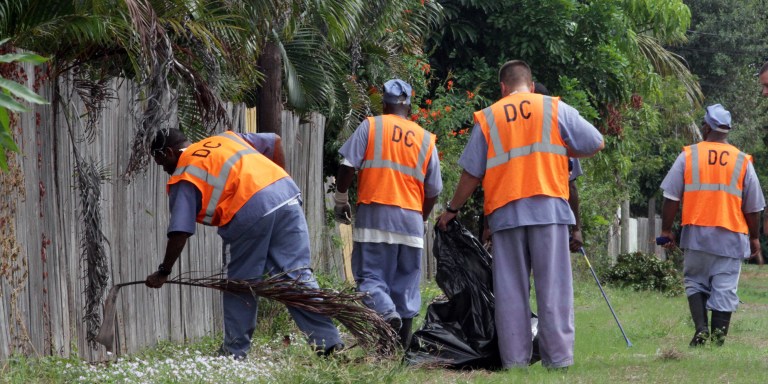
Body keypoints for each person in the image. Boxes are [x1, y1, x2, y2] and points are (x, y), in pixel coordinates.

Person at [438, 60, 604, 370]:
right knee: (553, 288)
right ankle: (559, 361)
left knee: (510, 291)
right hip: (549, 211)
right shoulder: (554, 108)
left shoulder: (490, 116)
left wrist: (452, 210)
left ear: (503, 87)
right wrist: (564, 150)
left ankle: (515, 363)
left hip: (506, 215)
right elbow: (595, 141)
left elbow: (471, 174)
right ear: (530, 83)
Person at [145, 128, 343, 359]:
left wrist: (164, 271)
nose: (164, 169)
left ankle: (234, 353)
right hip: (285, 194)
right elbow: (274, 140)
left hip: (249, 210)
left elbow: (180, 231)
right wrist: (277, 179)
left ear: (168, 152)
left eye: (161, 162)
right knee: (296, 275)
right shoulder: (225, 138)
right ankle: (328, 344)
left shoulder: (185, 173)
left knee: (240, 285)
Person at [334, 79, 442, 348]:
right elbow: (434, 190)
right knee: (405, 285)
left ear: (384, 103)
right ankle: (399, 352)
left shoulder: (371, 126)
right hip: (411, 222)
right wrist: (423, 219)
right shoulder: (426, 139)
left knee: (370, 277)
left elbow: (348, 166)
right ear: (410, 106)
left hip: (375, 215)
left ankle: (385, 314)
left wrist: (340, 199)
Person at [659, 104, 764, 347]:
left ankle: (701, 328)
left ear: (706, 127)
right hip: (731, 234)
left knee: (695, 281)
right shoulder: (742, 160)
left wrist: (666, 230)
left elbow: (671, 196)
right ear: (727, 131)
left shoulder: (689, 155)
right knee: (725, 287)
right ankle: (718, 340)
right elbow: (754, 206)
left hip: (696, 233)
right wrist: (754, 238)